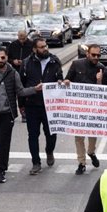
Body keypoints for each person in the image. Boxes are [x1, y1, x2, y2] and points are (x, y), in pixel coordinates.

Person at [0, 48, 39, 183]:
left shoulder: (13, 73)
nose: (0, 60)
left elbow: (20, 91)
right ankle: (0, 164)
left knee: (4, 143)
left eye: (3, 58)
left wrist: (35, 89)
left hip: (7, 114)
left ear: (6, 57)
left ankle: (2, 170)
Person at [20, 38, 64, 175]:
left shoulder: (54, 61)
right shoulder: (27, 63)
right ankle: (36, 162)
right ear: (34, 49)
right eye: (41, 47)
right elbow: (20, 85)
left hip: (50, 106)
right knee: (33, 135)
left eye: (45, 46)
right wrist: (21, 104)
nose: (45, 49)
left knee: (51, 134)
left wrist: (61, 82)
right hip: (32, 105)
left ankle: (49, 151)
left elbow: (60, 78)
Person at [64, 44, 105, 175]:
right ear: (87, 54)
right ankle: (81, 163)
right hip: (78, 108)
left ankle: (91, 152)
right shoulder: (76, 64)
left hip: (93, 109)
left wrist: (99, 81)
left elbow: (105, 91)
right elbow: (67, 79)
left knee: (93, 134)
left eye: (98, 55)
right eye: (93, 55)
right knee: (79, 137)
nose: (96, 57)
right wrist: (66, 82)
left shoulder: (101, 68)